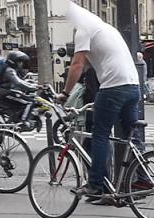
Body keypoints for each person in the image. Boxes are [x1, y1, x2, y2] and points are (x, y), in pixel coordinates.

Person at [61, 1, 145, 198]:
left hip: (113, 87)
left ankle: (96, 184)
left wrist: (65, 93)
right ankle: (143, 178)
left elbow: (77, 65)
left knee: (100, 135)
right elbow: (95, 62)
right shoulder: (107, 29)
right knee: (130, 135)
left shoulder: (83, 30)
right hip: (133, 86)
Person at [0, 49, 37, 124]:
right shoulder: (9, 70)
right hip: (5, 93)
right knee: (30, 102)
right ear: (13, 61)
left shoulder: (11, 69)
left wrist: (35, 85)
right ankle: (24, 121)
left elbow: (21, 81)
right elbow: (18, 83)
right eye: (19, 62)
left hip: (7, 91)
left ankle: (17, 116)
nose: (21, 64)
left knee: (27, 98)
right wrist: (33, 88)